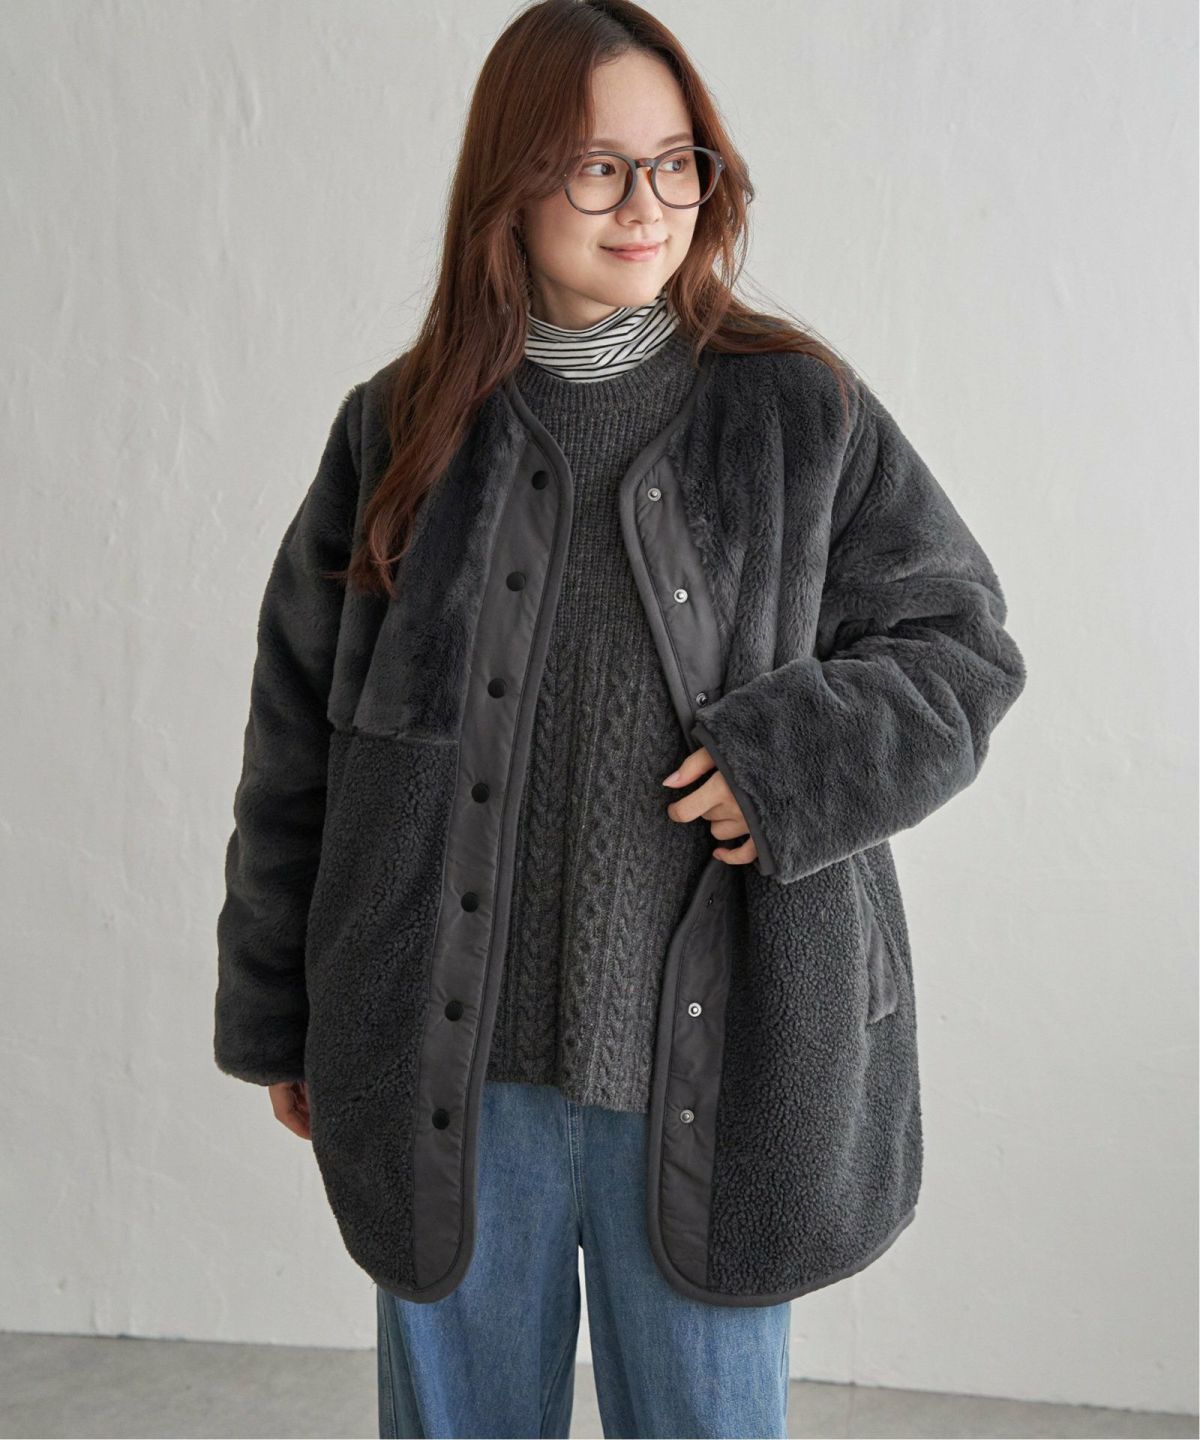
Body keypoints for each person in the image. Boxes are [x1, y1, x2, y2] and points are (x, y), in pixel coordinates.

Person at [213, 3, 1028, 1437]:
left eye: (676, 162)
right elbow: (296, 741)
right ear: (512, 184)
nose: (646, 204)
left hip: (723, 1070)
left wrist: (792, 763)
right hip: (448, 1070)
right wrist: (279, 1010)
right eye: (597, 167)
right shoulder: (397, 432)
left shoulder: (799, 414)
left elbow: (960, 646)